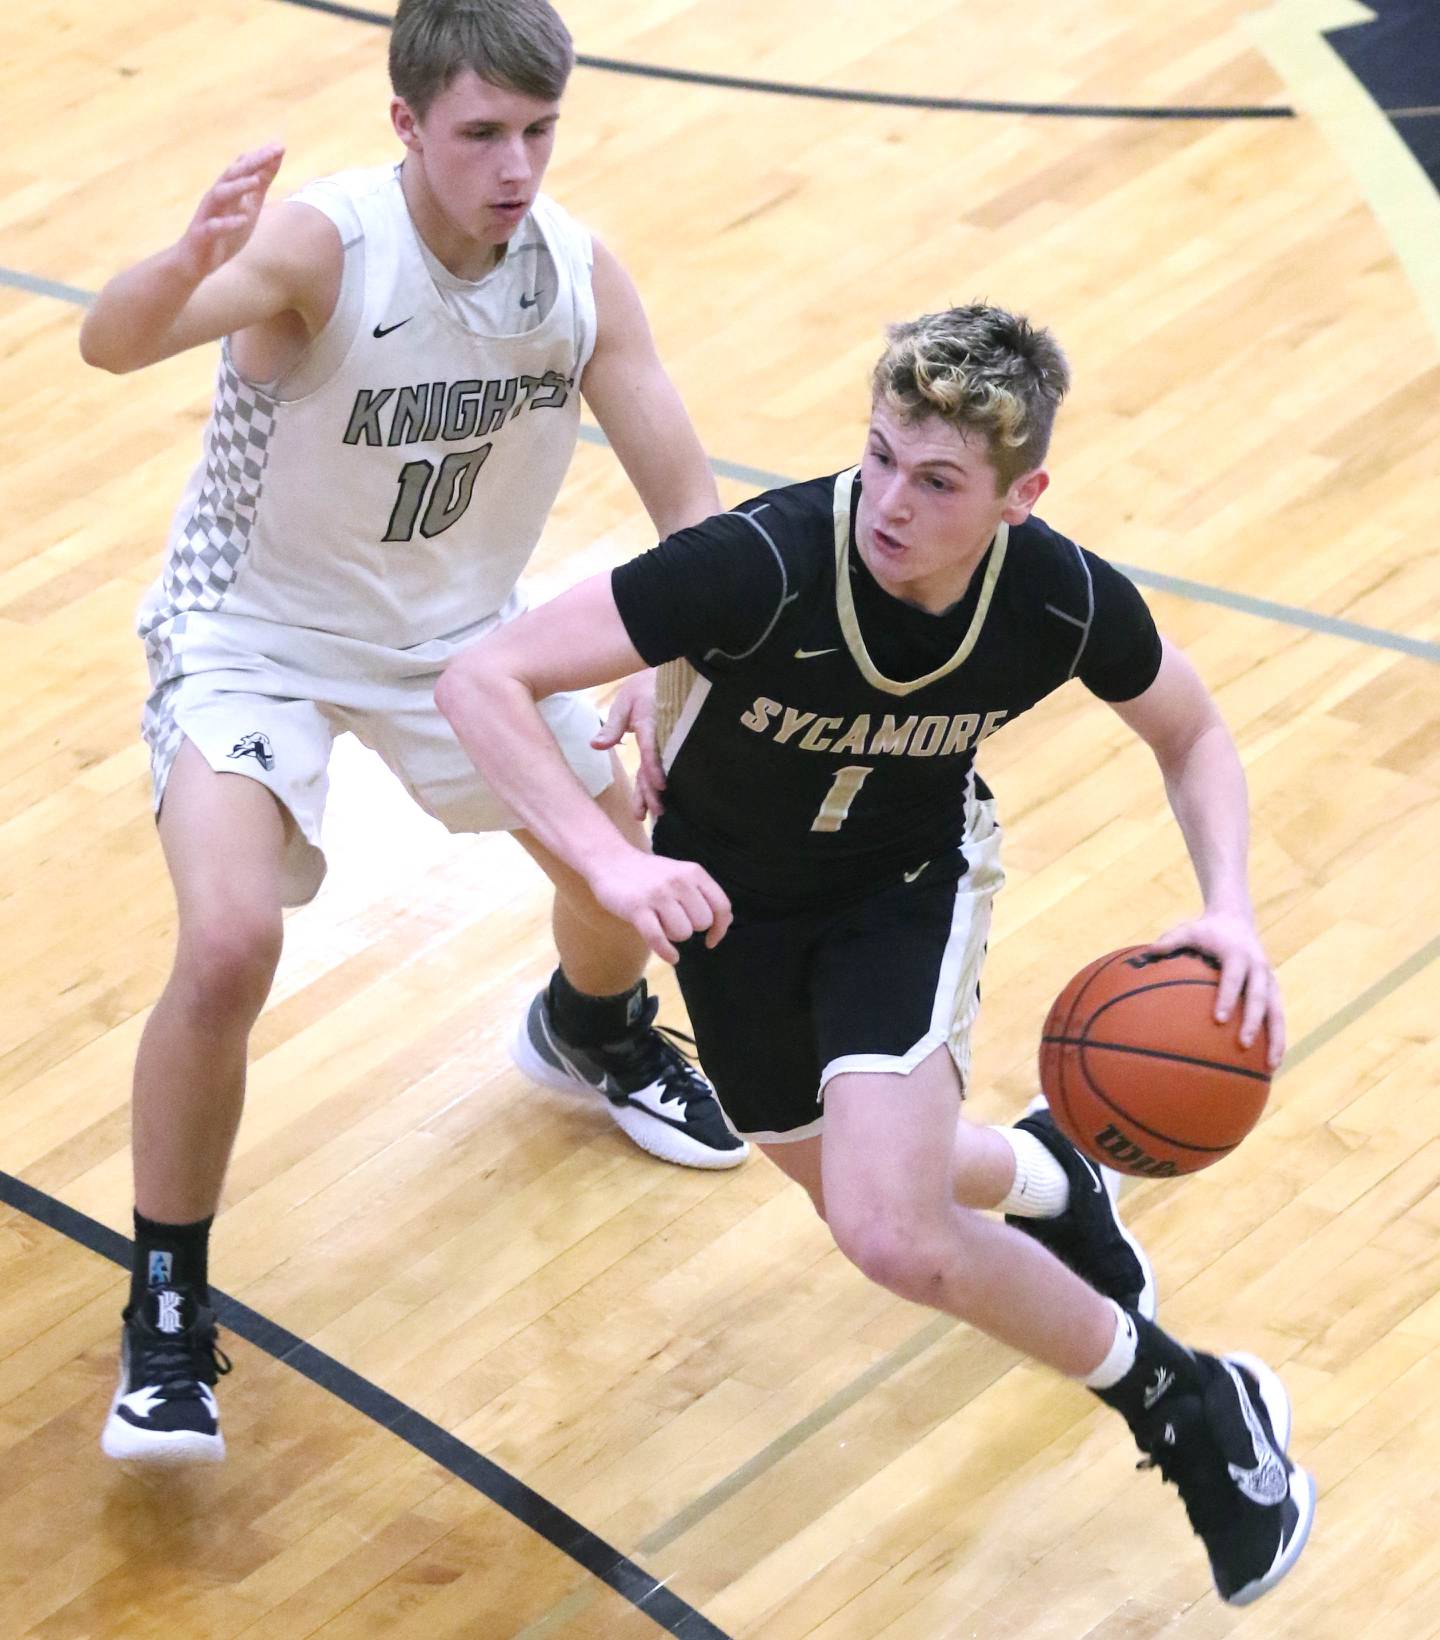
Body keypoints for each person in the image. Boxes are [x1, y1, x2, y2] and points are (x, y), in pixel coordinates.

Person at [435, 303, 1316, 1605]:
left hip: (904, 884)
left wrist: (1229, 906)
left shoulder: (1057, 598)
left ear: (1022, 497)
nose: (890, 501)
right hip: (725, 903)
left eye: (939, 481)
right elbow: (481, 680)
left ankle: (1189, 1406)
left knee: (891, 1232)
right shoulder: (764, 562)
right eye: (882, 457)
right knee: (833, 1169)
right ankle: (1047, 1173)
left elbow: (1188, 730)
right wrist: (615, 862)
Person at [79, 0, 748, 1466]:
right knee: (229, 942)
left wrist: (667, 635)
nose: (515, 166)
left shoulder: (574, 277)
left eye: (538, 131)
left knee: (620, 848)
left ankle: (591, 1029)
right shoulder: (325, 247)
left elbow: (691, 509)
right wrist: (184, 265)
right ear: (405, 128)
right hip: (250, 635)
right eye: (481, 135)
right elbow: (107, 346)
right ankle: (169, 1306)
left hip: (459, 639)